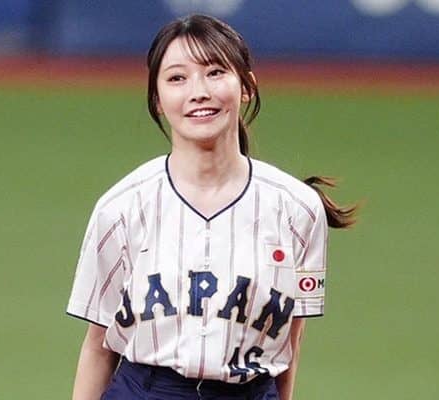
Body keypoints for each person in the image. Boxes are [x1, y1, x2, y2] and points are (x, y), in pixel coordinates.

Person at [66, 14, 356, 400]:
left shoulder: (298, 209)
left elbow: (289, 347)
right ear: (157, 99)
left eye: (215, 72)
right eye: (177, 78)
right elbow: (98, 346)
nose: (198, 92)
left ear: (247, 86)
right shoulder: (121, 208)